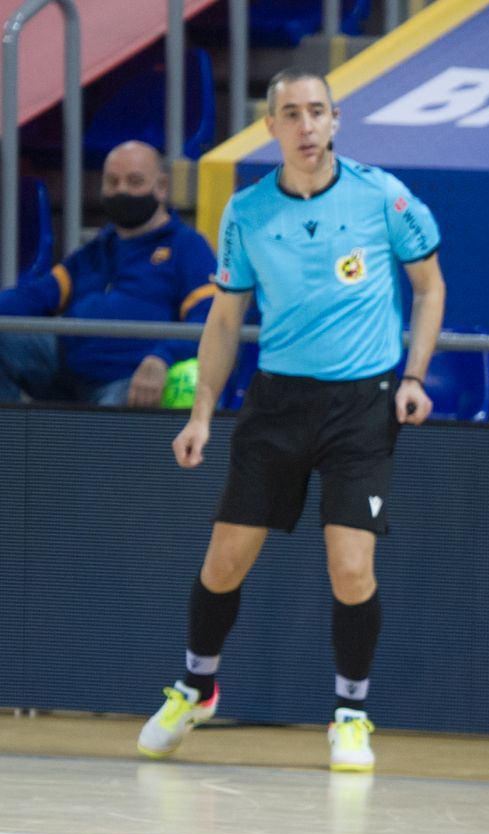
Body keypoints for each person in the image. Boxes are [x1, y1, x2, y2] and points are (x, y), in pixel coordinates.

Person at [136, 68, 444, 772]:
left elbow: (428, 288)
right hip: (277, 403)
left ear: (336, 121)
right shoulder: (245, 213)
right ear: (270, 127)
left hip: (362, 403)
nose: (306, 126)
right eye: (291, 114)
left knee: (350, 566)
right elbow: (223, 318)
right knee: (224, 562)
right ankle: (197, 685)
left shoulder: (384, 197)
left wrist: (415, 377)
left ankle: (351, 712)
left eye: (318, 112)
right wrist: (202, 415)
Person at [0, 141, 217, 406]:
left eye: (134, 181)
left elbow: (211, 321)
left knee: (106, 430)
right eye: (112, 182)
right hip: (67, 370)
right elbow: (36, 295)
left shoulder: (188, 247)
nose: (121, 190)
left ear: (161, 187)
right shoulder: (96, 249)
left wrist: (163, 357)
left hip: (128, 380)